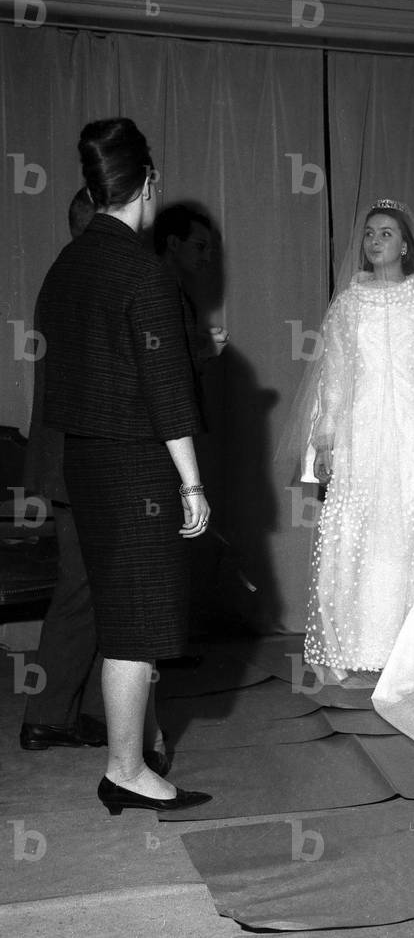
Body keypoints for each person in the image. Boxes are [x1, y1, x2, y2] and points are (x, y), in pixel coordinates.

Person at [36, 117, 212, 814]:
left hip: (84, 462)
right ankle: (126, 770)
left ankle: (128, 762)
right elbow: (166, 388)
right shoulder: (141, 268)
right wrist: (192, 481)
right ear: (150, 183)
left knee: (120, 622)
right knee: (138, 628)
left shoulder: (68, 262)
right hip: (138, 467)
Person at [286, 198, 414, 689]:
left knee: (410, 536)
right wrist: (326, 441)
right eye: (370, 233)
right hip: (360, 435)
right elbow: (334, 376)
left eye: (386, 234)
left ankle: (409, 651)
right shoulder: (348, 303)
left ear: (405, 246)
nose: (375, 240)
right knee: (357, 534)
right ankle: (357, 647)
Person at [19, 188, 105, 753]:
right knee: (81, 590)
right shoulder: (85, 276)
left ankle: (64, 711)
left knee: (91, 590)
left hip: (68, 459)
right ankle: (47, 717)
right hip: (81, 460)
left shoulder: (67, 273)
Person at [154, 203, 229, 364]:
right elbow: (159, 363)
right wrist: (206, 351)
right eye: (200, 247)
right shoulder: (156, 294)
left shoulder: (172, 291)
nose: (207, 258)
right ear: (173, 243)